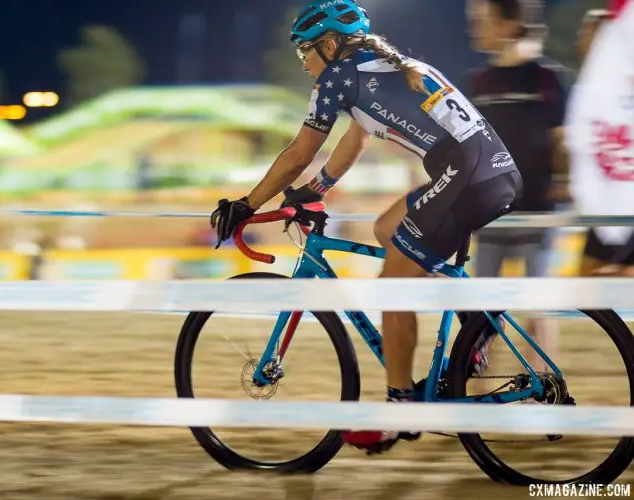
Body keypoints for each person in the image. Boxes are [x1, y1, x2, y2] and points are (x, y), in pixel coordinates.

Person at [209, 0, 523, 453]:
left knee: (391, 287)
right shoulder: (385, 68)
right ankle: (477, 319)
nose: (304, 66)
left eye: (305, 53)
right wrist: (315, 189)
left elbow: (299, 152)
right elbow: (353, 140)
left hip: (466, 181)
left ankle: (400, 409)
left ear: (331, 45)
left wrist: (245, 204)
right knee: (385, 229)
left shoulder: (339, 76)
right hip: (490, 176)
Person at [462, 0, 575, 373]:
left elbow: (561, 140)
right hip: (490, 214)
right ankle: (474, 398)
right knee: (482, 314)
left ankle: (547, 385)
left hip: (537, 214)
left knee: (536, 309)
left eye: (482, 20)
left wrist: (562, 182)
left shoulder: (545, 77)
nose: (475, 27)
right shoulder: (477, 82)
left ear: (510, 26)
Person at [567, 1, 634, 277]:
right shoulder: (591, 89)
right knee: (589, 284)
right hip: (611, 201)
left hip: (623, 196)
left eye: (590, 34)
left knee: (597, 282)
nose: (581, 41)